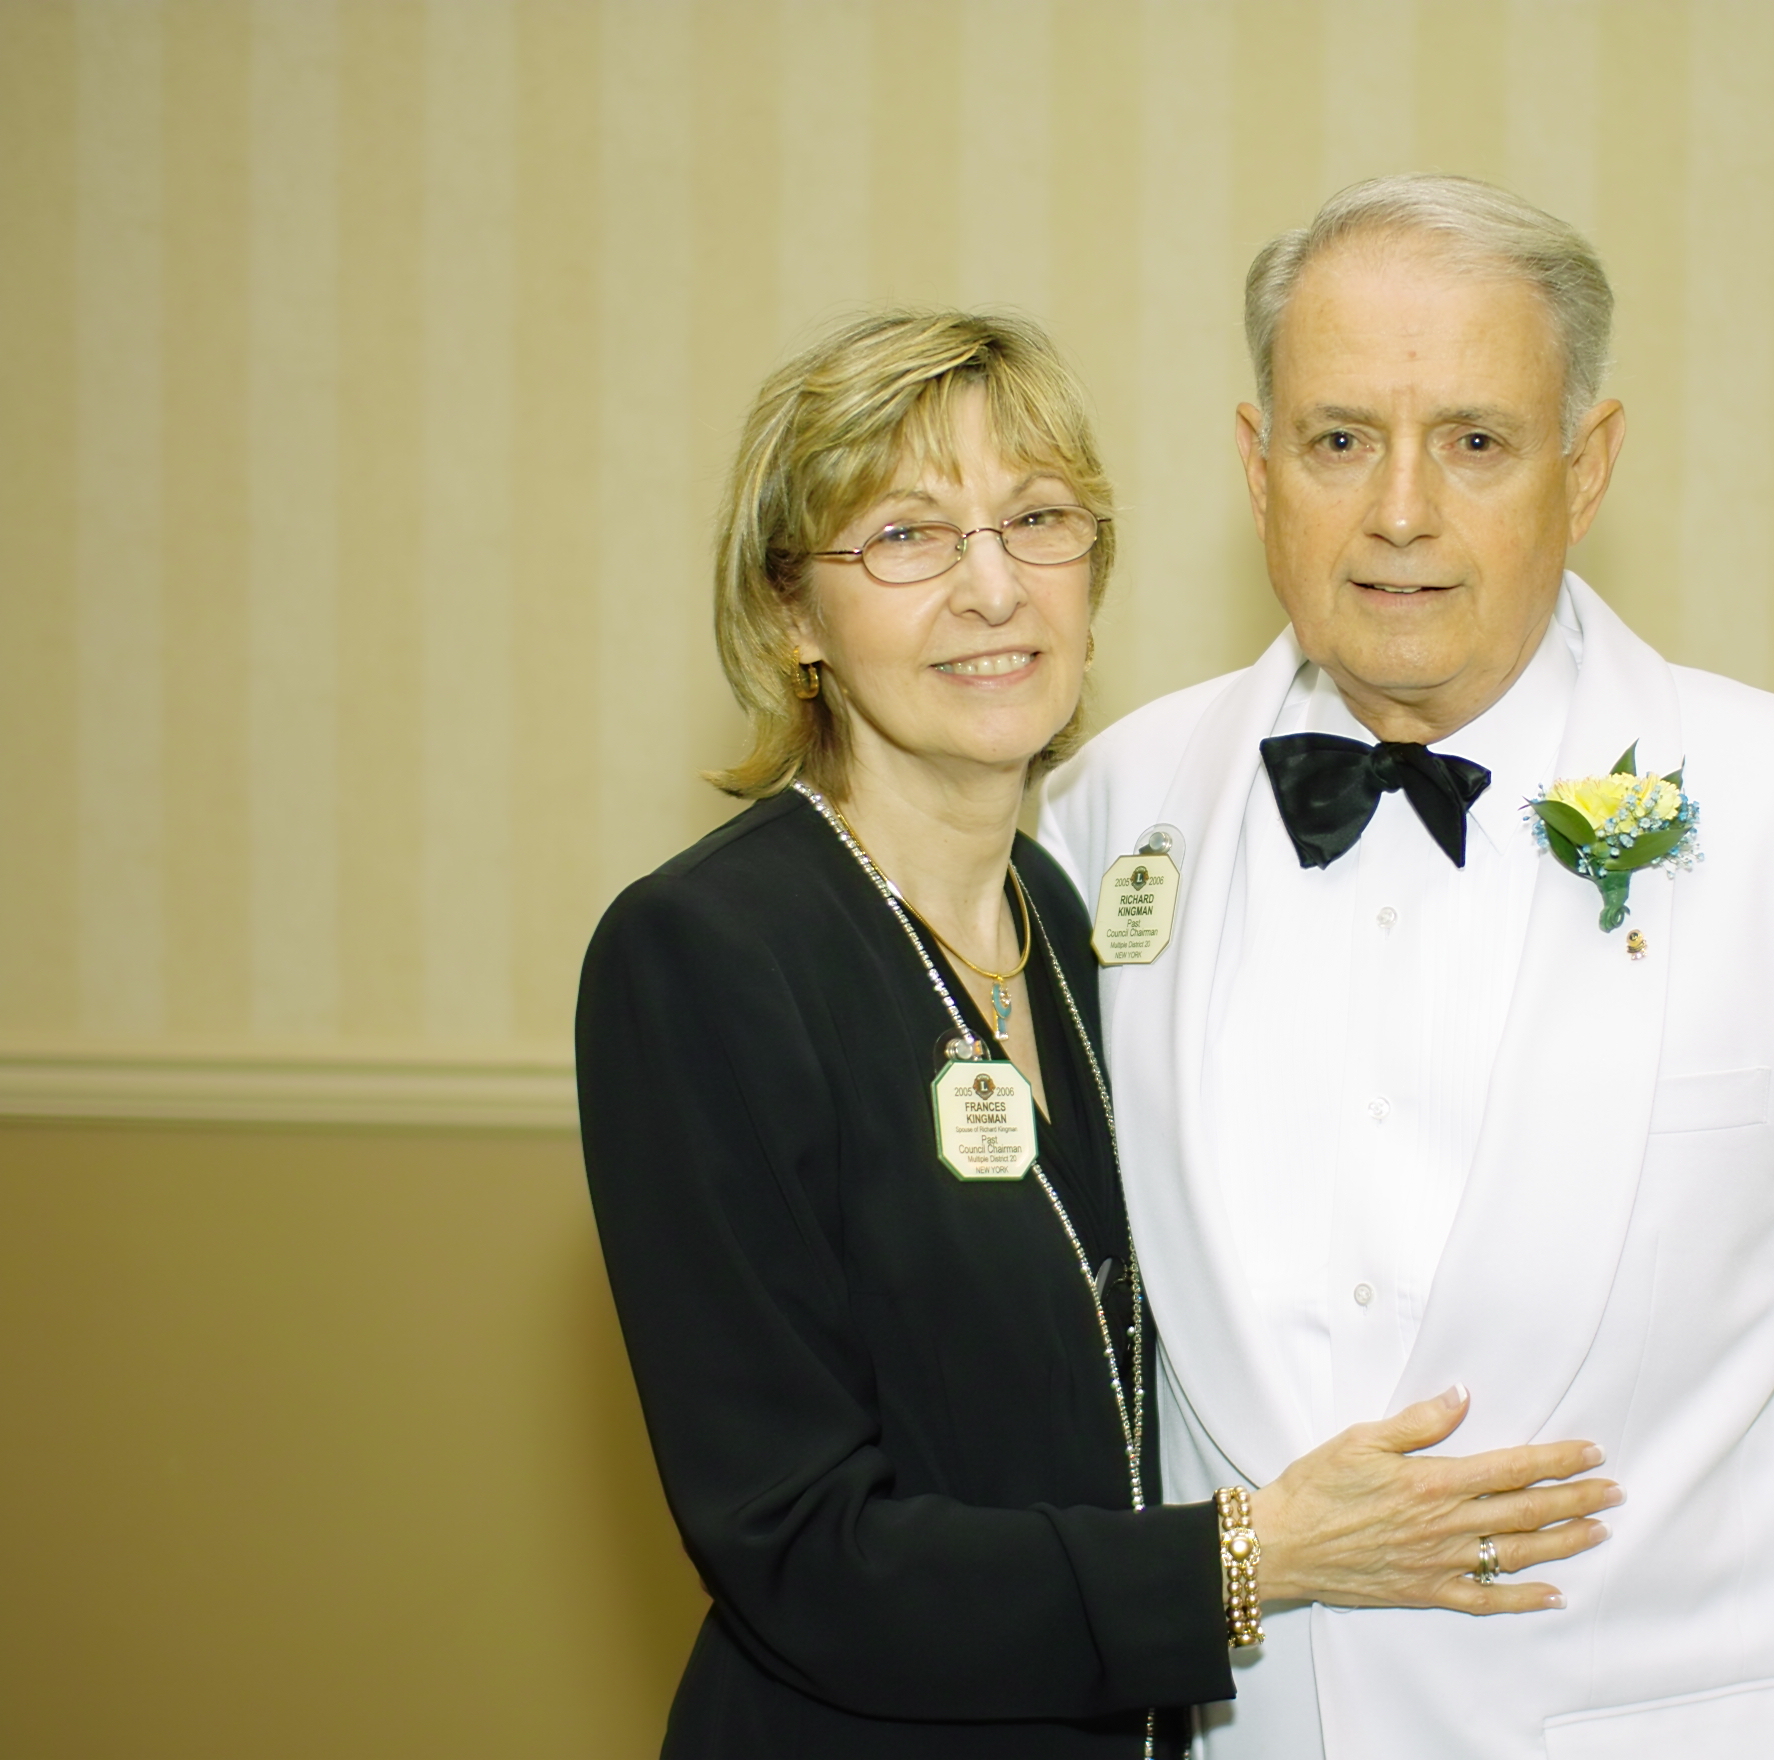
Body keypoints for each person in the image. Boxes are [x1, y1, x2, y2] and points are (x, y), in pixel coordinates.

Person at [1038, 177, 1774, 1758]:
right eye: (1340, 439)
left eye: (1476, 441)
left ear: (1586, 467)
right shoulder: (1107, 809)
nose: (1400, 511)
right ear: (1257, 466)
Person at [575, 309, 1620, 1760]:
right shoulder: (707, 953)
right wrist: (1258, 1554)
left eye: (1037, 520)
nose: (993, 588)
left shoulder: (1077, 920)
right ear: (791, 615)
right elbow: (801, 1551)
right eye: (906, 537)